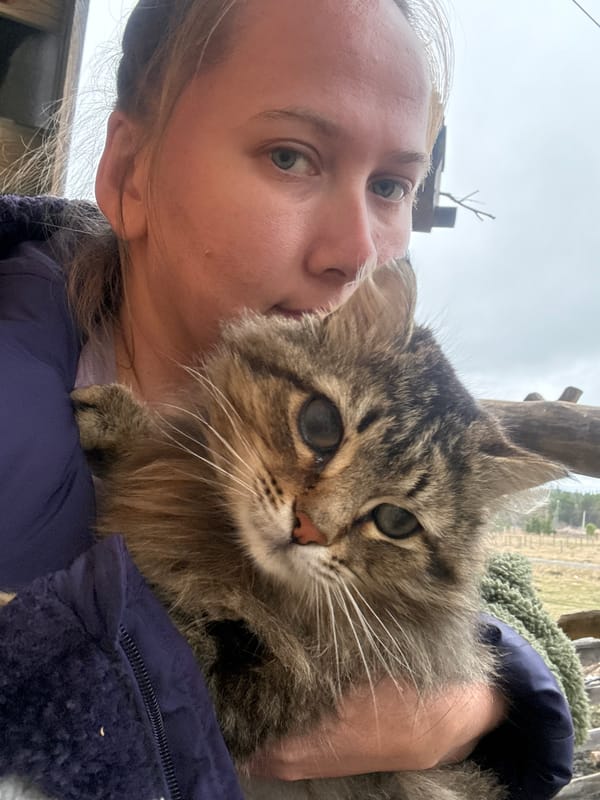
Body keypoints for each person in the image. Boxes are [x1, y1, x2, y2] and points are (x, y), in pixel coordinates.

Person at [0, 0, 574, 798]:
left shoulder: (344, 401)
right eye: (291, 156)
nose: (357, 253)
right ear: (132, 172)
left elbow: (496, 595)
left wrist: (498, 695)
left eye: (391, 184)